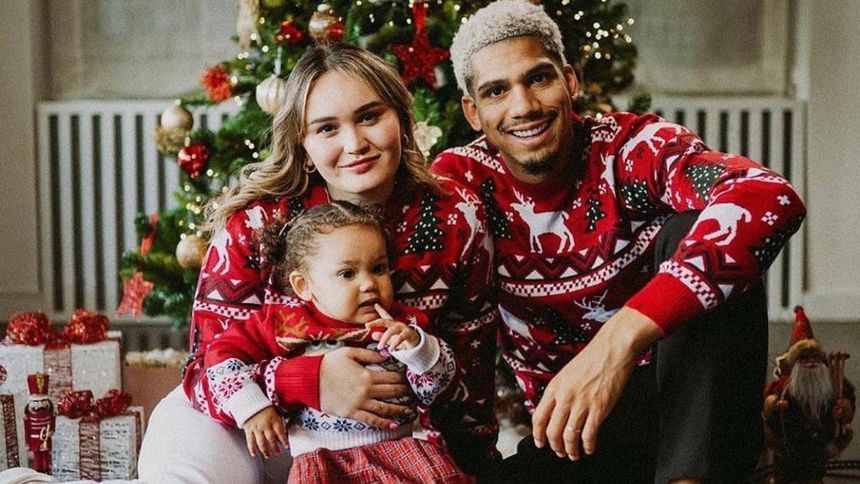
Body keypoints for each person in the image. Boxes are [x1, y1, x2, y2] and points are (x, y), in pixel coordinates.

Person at [431, 1, 807, 482]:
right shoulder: (461, 184)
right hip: (574, 434)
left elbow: (770, 196)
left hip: (685, 412)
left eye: (539, 78)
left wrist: (618, 341)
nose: (523, 106)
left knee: (693, 225)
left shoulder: (632, 148)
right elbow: (376, 266)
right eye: (496, 91)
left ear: (570, 81)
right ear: (473, 112)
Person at [138, 43, 497, 483]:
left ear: (403, 122)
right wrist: (308, 381)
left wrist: (473, 461)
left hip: (392, 433)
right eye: (327, 128)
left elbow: (471, 374)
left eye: (370, 117)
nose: (355, 144)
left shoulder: (455, 217)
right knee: (181, 446)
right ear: (304, 146)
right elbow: (203, 372)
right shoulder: (255, 224)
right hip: (261, 424)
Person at [202, 201, 469, 482]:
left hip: (400, 452)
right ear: (303, 285)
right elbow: (220, 357)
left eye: (378, 268)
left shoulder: (402, 324)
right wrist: (252, 407)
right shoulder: (283, 323)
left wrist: (418, 349)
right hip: (322, 460)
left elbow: (433, 390)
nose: (368, 283)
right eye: (347, 274)